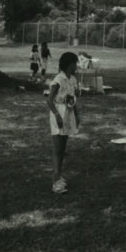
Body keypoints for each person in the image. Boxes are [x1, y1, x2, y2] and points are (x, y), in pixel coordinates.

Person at [48, 51, 80, 194]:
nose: (76, 67)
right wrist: (57, 116)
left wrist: (77, 115)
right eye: (75, 64)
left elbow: (72, 98)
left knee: (63, 148)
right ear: (69, 64)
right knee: (57, 148)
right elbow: (49, 100)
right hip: (58, 114)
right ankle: (55, 180)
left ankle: (59, 175)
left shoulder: (72, 79)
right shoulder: (58, 79)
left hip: (69, 113)